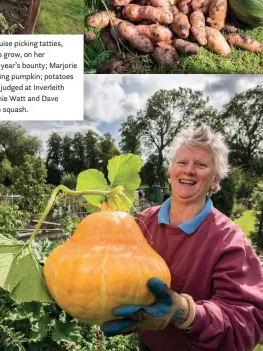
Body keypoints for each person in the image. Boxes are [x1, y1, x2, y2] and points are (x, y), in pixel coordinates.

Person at [101, 125, 263, 351]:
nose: (189, 170)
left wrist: (186, 313)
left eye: (201, 165)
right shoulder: (141, 222)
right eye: (182, 162)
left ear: (215, 180)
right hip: (147, 345)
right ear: (170, 171)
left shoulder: (228, 241)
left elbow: (245, 323)